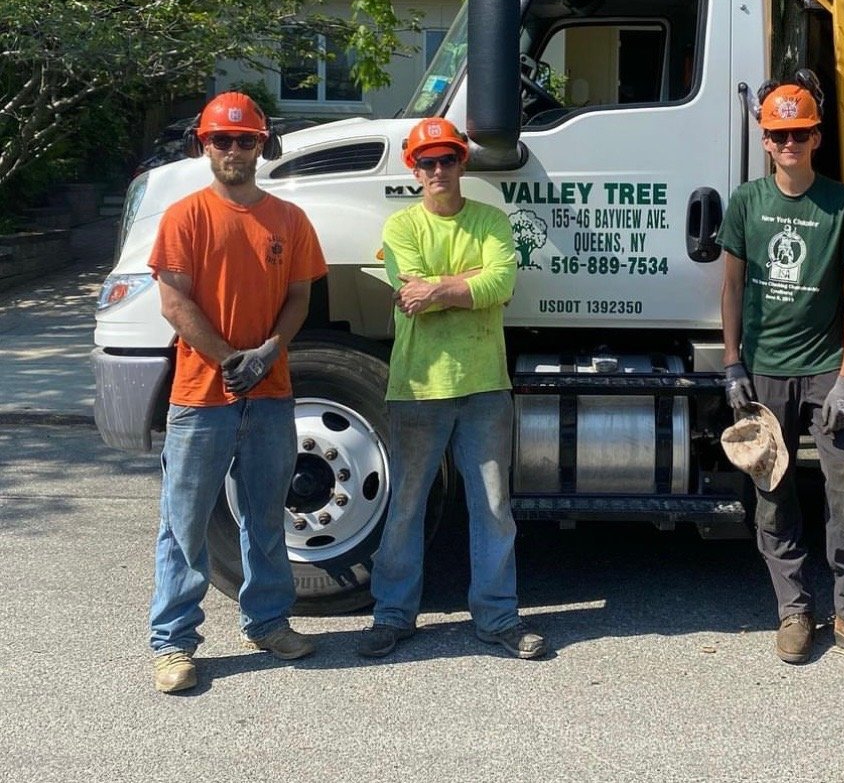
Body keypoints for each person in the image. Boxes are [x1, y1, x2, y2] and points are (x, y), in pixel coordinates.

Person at [718, 79, 844, 671]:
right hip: (766, 370)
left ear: (817, 136)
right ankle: (794, 610)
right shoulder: (746, 202)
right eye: (779, 134)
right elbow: (731, 286)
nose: (789, 142)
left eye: (799, 133)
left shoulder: (843, 204)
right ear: (765, 140)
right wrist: (731, 362)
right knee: (773, 494)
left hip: (826, 368)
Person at [147, 92, 327, 693]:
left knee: (265, 517)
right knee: (185, 522)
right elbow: (174, 299)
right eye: (221, 140)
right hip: (202, 396)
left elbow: (300, 297)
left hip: (271, 393)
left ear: (262, 144)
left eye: (244, 139)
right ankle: (173, 645)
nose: (232, 149)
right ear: (204, 145)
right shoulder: (184, 217)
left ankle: (270, 622)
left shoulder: (290, 220)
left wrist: (271, 349)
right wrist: (230, 360)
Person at [360, 118, 547, 661]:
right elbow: (408, 291)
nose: (438, 170)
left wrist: (441, 287)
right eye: (427, 162)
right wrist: (470, 284)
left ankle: (497, 619)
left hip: (485, 384)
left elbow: (502, 284)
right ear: (412, 169)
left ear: (463, 163)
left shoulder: (492, 219)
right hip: (417, 387)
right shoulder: (401, 228)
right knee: (406, 507)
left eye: (447, 159)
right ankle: (392, 617)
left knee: (493, 508)